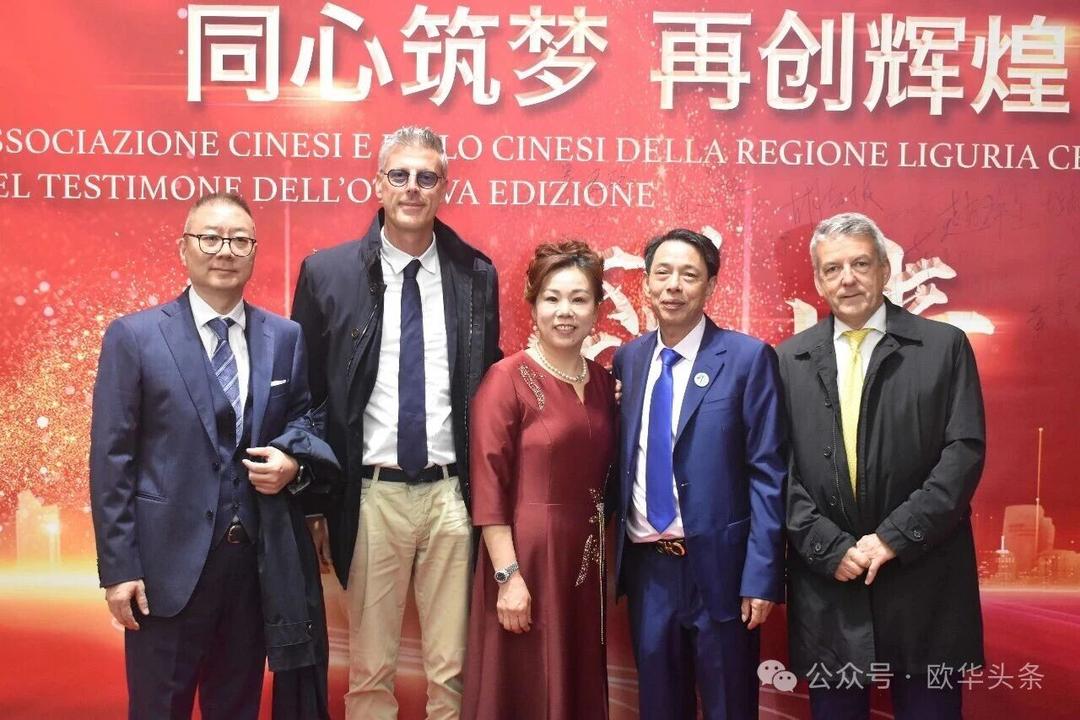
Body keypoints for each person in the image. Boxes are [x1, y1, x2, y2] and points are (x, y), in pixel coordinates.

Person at [89, 192, 339, 719]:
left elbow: (303, 420)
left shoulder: (285, 337)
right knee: (159, 709)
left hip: (253, 566)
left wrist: (292, 462)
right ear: (184, 248)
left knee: (237, 706)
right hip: (163, 571)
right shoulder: (135, 336)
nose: (225, 250)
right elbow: (112, 460)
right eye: (210, 238)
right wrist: (118, 569)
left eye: (239, 240)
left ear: (254, 252)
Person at [290, 126, 501, 720]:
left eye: (426, 177)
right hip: (370, 496)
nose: (413, 188)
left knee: (453, 674)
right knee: (370, 672)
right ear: (378, 184)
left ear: (444, 187)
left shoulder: (475, 274)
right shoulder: (327, 273)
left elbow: (487, 383)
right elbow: (306, 396)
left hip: (451, 497)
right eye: (400, 175)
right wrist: (315, 503)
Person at [778, 212, 985, 720]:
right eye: (832, 269)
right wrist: (828, 546)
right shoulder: (786, 360)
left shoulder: (943, 347)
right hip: (832, 580)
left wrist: (894, 537)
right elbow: (775, 469)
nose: (847, 279)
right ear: (817, 281)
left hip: (923, 577)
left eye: (860, 264)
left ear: (885, 269)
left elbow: (963, 453)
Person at [610, 228, 786, 720]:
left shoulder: (747, 358)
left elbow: (769, 473)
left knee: (729, 706)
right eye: (662, 273)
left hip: (722, 572)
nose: (674, 285)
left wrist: (761, 575)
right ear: (646, 283)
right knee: (659, 707)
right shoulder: (628, 360)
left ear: (710, 286)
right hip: (649, 571)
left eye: (689, 275)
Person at [462, 241, 616, 720]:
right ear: (533, 306)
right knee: (523, 684)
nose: (565, 311)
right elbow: (488, 487)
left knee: (574, 679)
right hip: (525, 556)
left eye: (578, 299)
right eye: (552, 298)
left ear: (597, 309)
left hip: (585, 559)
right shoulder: (506, 379)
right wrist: (507, 577)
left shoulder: (603, 382)